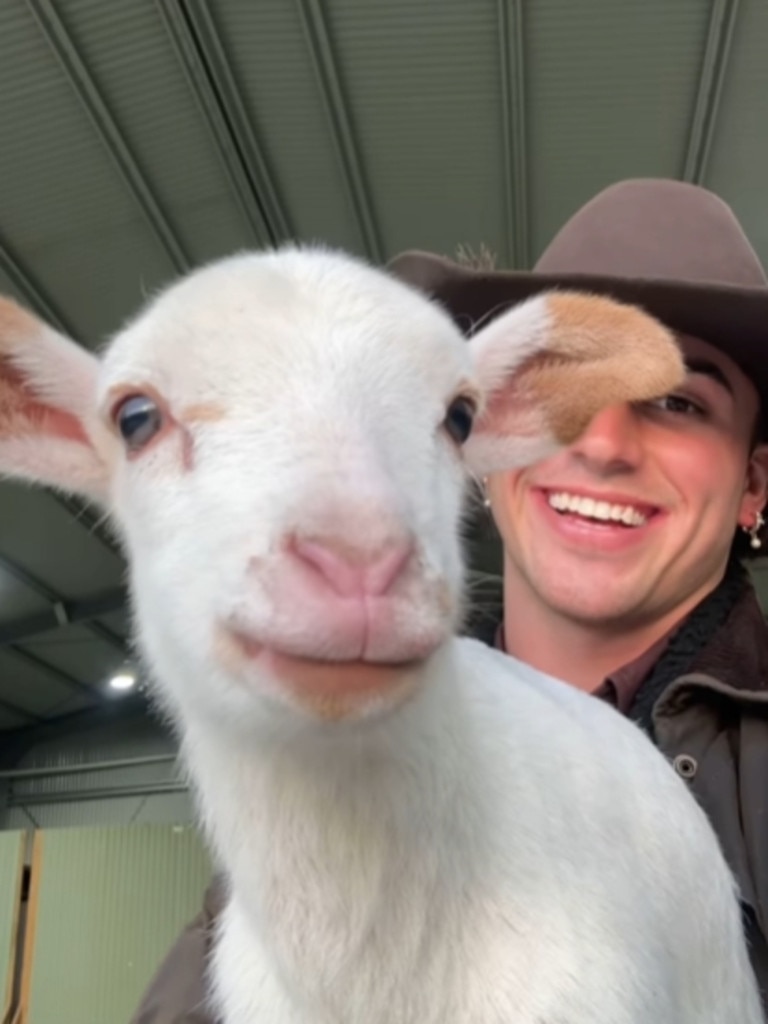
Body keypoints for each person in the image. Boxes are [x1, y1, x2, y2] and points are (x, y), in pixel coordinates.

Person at [130, 179, 768, 1022]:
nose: (603, 444)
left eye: (680, 401)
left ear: (755, 485)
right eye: (561, 392)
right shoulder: (326, 767)